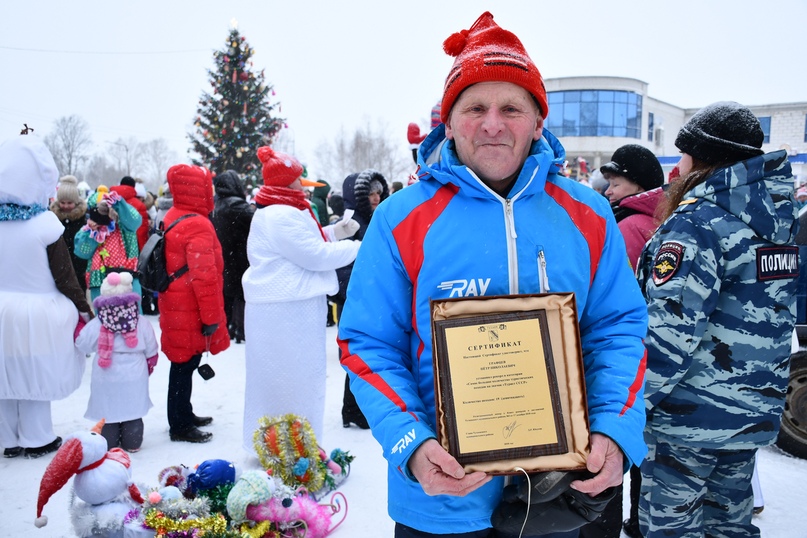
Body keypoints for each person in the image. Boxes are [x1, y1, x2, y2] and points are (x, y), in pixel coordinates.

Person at [337, 12, 648, 537]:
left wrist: (615, 431)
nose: (492, 123)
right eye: (475, 106)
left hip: (561, 492)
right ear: (449, 120)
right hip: (442, 496)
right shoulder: (400, 218)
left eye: (512, 107)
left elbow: (618, 330)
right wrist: (410, 445)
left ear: (538, 121)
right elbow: (369, 342)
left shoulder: (589, 214)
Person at [635, 101, 798, 537]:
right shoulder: (779, 221)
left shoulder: (697, 224)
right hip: (749, 411)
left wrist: (630, 408)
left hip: (687, 420)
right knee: (730, 527)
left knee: (672, 529)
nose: (679, 164)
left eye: (684, 154)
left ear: (703, 158)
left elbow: (669, 335)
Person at [241, 146, 361, 457]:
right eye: (298, 181)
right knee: (292, 381)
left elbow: (305, 243)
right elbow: (314, 255)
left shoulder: (280, 211)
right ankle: (290, 447)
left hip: (288, 308)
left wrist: (334, 232)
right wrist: (359, 247)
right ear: (287, 185)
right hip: (286, 311)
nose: (302, 187)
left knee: (289, 380)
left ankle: (284, 442)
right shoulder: (281, 215)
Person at [0, 133, 93, 459]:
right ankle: (36, 436)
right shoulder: (44, 224)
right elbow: (66, 278)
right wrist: (84, 310)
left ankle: (7, 438)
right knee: (33, 373)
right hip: (36, 315)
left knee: (5, 374)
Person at [159, 163, 230, 444]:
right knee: (183, 365)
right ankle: (179, 425)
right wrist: (211, 318)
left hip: (176, 303)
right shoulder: (198, 223)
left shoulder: (174, 215)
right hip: (189, 307)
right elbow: (205, 277)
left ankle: (183, 414)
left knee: (183, 364)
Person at [75, 271, 159, 452]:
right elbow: (151, 348)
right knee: (133, 411)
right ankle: (133, 442)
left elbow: (82, 344)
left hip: (106, 373)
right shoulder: (140, 321)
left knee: (109, 413)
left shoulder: (99, 323)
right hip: (135, 372)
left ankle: (109, 441)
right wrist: (150, 363)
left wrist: (79, 326)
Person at [333, 169, 389, 429]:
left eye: (378, 191)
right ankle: (352, 410)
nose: (376, 196)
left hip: (372, 297)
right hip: (357, 300)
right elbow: (342, 266)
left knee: (366, 355)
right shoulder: (351, 222)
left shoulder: (376, 218)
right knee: (357, 355)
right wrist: (359, 290)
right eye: (370, 193)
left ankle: (353, 409)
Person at [74, 189, 143, 308]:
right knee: (103, 322)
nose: (104, 214)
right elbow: (82, 253)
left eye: (106, 210)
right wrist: (92, 232)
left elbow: (136, 221)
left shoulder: (124, 225)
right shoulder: (89, 230)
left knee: (131, 320)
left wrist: (118, 204)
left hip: (127, 278)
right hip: (99, 281)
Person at [601, 144, 665, 269]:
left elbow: (623, 280)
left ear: (639, 187)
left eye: (615, 185)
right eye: (609, 184)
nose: (607, 191)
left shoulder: (628, 226)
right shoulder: (659, 219)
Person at [212, 169, 255, 344]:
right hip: (240, 256)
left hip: (223, 255)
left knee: (229, 293)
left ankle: (229, 326)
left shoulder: (216, 206)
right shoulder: (238, 206)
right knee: (241, 294)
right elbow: (258, 222)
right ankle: (240, 329)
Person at [50, 175, 89, 291]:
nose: (65, 206)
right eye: (62, 202)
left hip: (79, 267)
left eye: (69, 203)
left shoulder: (83, 219)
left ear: (76, 202)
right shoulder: (53, 217)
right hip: (58, 266)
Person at [111, 176, 150, 250]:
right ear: (133, 187)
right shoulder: (139, 205)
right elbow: (141, 232)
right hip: (132, 246)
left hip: (113, 246)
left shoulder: (111, 201)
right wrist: (143, 250)